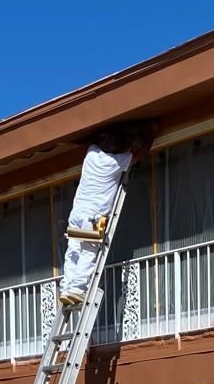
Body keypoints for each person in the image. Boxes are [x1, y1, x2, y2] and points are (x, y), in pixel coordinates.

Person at [59, 128, 150, 307]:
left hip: (76, 213)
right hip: (94, 218)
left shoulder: (91, 154)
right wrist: (150, 136)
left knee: (74, 251)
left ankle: (67, 288)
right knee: (89, 252)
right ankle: (77, 290)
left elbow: (97, 140)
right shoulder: (115, 163)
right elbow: (139, 155)